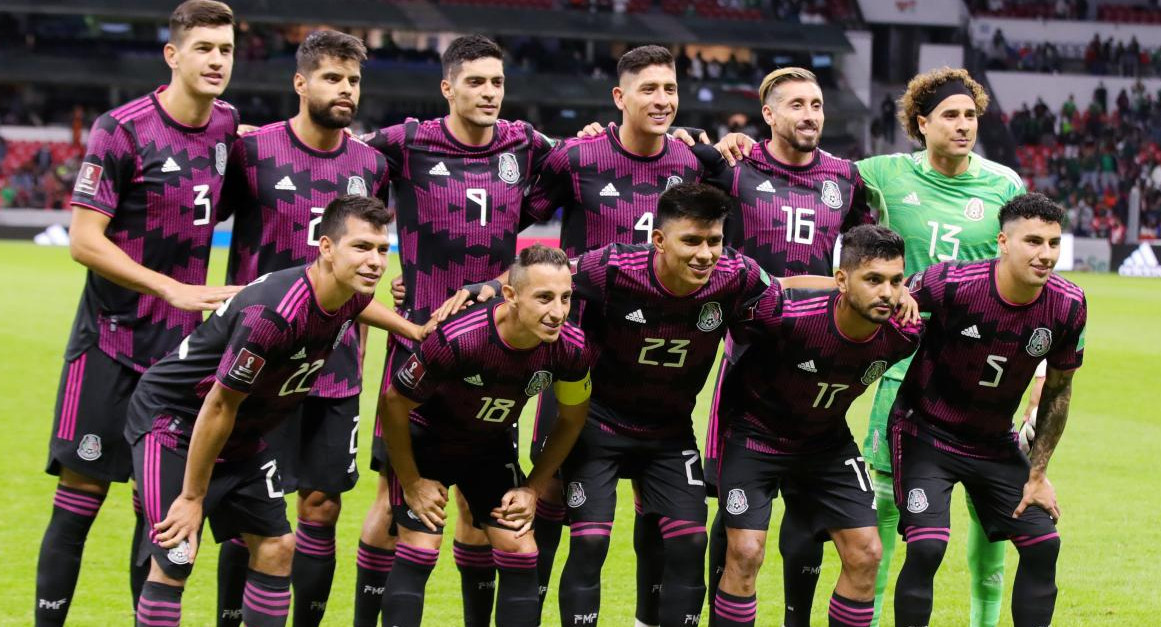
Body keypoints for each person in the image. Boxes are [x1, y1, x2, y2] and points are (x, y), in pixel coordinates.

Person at [127, 195, 423, 627]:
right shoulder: (273, 314)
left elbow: (361, 306)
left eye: (382, 249)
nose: (376, 261)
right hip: (174, 422)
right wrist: (193, 498)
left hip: (242, 431)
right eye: (361, 247)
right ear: (325, 248)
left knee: (277, 547)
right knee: (176, 553)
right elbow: (218, 403)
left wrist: (414, 330)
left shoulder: (345, 292)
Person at [35, 2, 240, 624]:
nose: (216, 60)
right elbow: (84, 240)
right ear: (173, 55)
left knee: (157, 508)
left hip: (179, 359)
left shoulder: (229, 127)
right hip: (109, 341)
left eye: (226, 50)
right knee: (80, 497)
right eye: (203, 47)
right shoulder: (121, 129)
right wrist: (170, 288)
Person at [355, 34, 555, 627]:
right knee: (395, 500)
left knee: (477, 498)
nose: (489, 93)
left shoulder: (524, 143)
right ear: (448, 88)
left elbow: (587, 158)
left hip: (499, 349)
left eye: (497, 82)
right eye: (475, 82)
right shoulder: (407, 141)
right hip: (421, 344)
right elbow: (341, 155)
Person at [214, 30, 397, 627]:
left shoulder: (371, 164)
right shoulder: (253, 151)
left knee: (321, 507)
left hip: (336, 366)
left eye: (353, 80)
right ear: (300, 82)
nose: (345, 90)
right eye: (332, 78)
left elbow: (374, 257)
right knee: (251, 512)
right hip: (258, 366)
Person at [522, 45, 705, 626]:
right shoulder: (577, 158)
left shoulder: (692, 164)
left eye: (670, 89)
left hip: (659, 370)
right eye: (649, 89)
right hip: (579, 363)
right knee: (550, 495)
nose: (662, 100)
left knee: (660, 512)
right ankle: (528, 610)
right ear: (619, 98)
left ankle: (648, 618)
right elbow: (511, 216)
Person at [693, 66, 873, 627]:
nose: (810, 114)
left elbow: (865, 258)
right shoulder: (737, 169)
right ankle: (710, 610)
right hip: (749, 367)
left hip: (819, 363)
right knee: (734, 527)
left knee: (808, 518)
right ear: (769, 115)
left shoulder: (846, 179)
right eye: (796, 104)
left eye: (816, 103)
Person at [557, 183, 774, 627]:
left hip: (670, 432)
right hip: (601, 424)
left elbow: (785, 297)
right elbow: (549, 275)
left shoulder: (738, 274)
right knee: (590, 541)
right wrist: (486, 288)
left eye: (714, 241)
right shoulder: (614, 266)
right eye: (691, 241)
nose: (705, 254)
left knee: (691, 540)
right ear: (659, 240)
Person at [855, 68, 1026, 627]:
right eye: (950, 115)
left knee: (990, 509)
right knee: (883, 500)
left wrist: (1040, 365)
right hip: (903, 361)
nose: (963, 125)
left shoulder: (1004, 185)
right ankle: (869, 617)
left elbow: (1029, 279)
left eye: (970, 115)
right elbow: (809, 175)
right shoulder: (882, 175)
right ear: (921, 123)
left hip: (984, 369)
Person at [891, 193, 1086, 627]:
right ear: (1002, 241)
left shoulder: (1068, 304)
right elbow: (889, 306)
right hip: (926, 432)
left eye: (1054, 243)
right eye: (1033, 241)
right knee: (926, 547)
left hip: (993, 443)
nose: (1046, 254)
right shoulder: (952, 284)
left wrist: (1036, 475)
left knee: (1043, 544)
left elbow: (1058, 391)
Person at [712, 225, 922, 627]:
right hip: (756, 435)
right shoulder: (787, 316)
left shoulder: (903, 334)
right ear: (841, 280)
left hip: (824, 443)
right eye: (873, 279)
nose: (887, 293)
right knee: (746, 551)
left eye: (896, 281)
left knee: (867, 553)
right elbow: (763, 293)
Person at [380, 245, 594, 627]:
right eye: (544, 298)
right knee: (421, 548)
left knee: (521, 549)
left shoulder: (572, 349)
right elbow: (394, 404)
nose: (558, 311)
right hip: (428, 442)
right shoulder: (459, 338)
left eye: (565, 298)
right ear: (510, 295)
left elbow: (572, 419)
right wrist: (411, 482)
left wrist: (532, 487)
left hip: (488, 449)